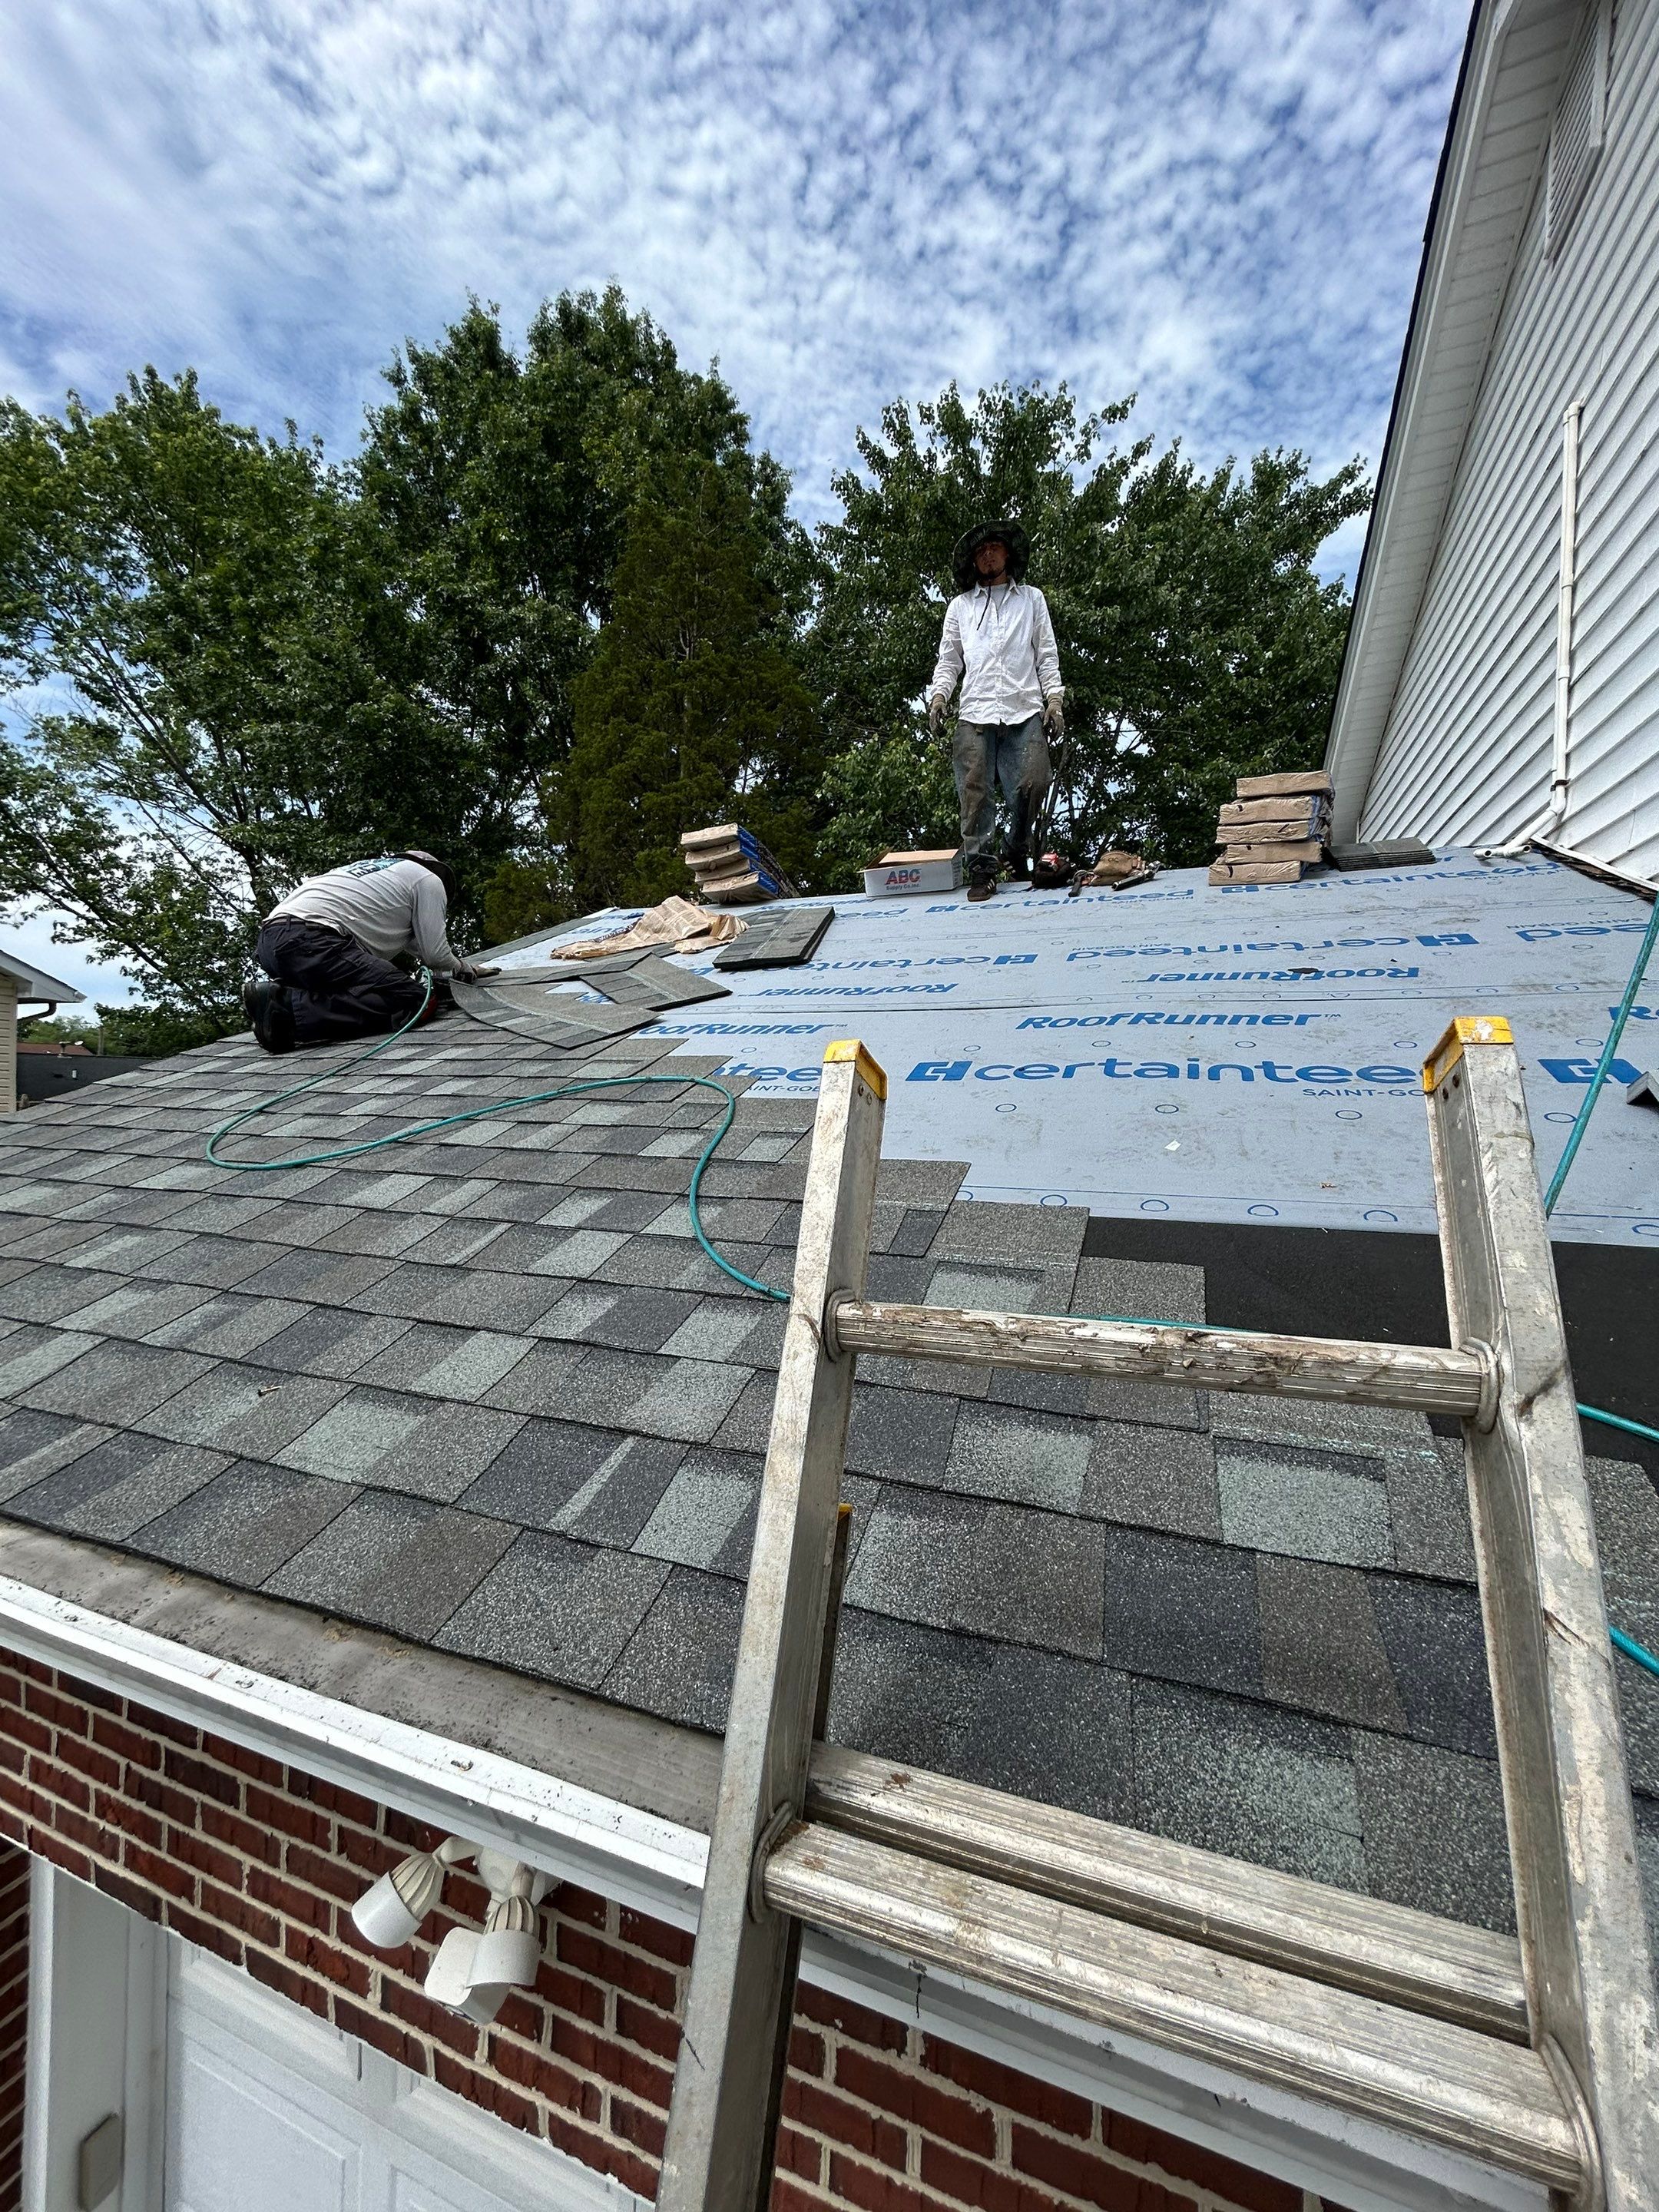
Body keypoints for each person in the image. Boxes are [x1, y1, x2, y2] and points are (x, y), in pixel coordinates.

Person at [243, 851, 496, 1055]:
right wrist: (462, 969)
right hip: (312, 939)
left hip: (271, 942)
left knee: (373, 986)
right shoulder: (427, 879)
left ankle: (281, 1006)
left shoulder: (373, 876)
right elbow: (435, 956)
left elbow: (421, 950)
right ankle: (287, 1010)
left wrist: (462, 966)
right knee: (415, 1000)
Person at [927, 522, 1063, 903]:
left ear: (1007, 554)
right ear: (974, 560)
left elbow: (1047, 654)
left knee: (1035, 781)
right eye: (981, 549)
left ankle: (1015, 846)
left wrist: (1055, 701)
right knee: (974, 792)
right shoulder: (960, 607)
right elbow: (949, 660)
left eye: (995, 547)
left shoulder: (1032, 599)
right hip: (975, 710)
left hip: (1024, 708)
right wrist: (939, 698)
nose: (988, 554)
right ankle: (984, 870)